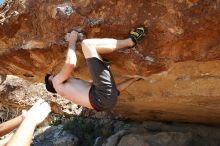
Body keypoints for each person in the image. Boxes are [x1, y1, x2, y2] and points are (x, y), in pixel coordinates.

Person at [45, 27, 146, 111]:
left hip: (106, 103)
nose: (57, 73)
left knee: (98, 75)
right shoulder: (55, 82)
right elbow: (70, 63)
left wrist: (134, 79)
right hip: (101, 97)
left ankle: (102, 62)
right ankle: (129, 42)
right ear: (51, 80)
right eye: (54, 74)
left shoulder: (72, 91)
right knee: (87, 44)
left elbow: (114, 91)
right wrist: (72, 41)